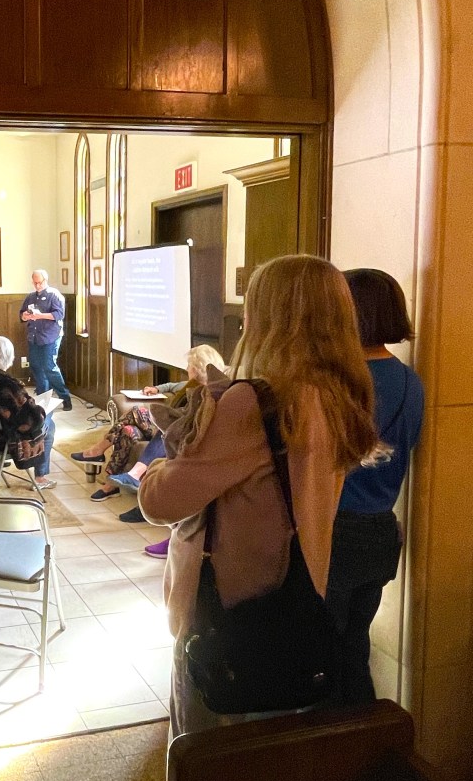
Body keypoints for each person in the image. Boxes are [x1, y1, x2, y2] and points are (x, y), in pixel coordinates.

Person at [138, 255, 377, 738]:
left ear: (271, 318)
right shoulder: (340, 394)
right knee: (273, 756)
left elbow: (159, 502)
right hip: (294, 602)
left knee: (208, 761)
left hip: (228, 613)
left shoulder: (257, 401)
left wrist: (160, 463)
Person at [326, 269, 424, 706]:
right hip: (381, 531)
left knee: (318, 659)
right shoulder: (411, 382)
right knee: (353, 651)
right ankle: (366, 737)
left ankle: (326, 745)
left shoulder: (336, 381)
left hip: (333, 533)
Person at [75, 345, 226, 547]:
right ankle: (115, 484)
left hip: (176, 434)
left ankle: (101, 457)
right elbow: (172, 385)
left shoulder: (208, 392)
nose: (187, 368)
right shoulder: (190, 384)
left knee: (139, 415)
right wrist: (158, 389)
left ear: (198, 368)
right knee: (128, 431)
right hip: (165, 429)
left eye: (190, 365)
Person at [0, 336, 57, 491]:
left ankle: (40, 476)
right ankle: (40, 477)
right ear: (10, 357)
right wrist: (41, 409)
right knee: (50, 423)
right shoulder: (9, 386)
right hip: (7, 439)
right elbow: (30, 420)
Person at [19, 269, 72, 410]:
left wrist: (40, 315)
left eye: (40, 282)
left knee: (49, 366)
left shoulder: (54, 295)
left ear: (45, 280)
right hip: (34, 337)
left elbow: (59, 315)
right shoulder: (30, 297)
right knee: (36, 366)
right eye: (35, 283)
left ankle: (65, 397)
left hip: (50, 336)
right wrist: (25, 316)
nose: (37, 285)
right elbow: (22, 315)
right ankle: (43, 399)